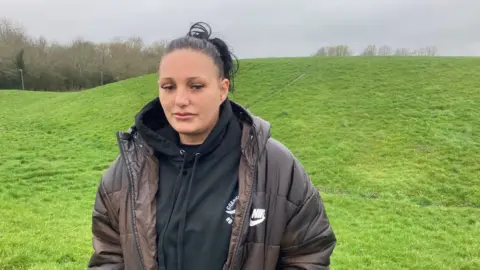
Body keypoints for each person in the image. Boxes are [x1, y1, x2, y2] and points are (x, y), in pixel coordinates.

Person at [87, 22, 336, 270]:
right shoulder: (127, 169)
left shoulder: (277, 167)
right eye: (168, 86)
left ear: (222, 89)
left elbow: (309, 254)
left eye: (196, 86)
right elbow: (108, 255)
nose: (180, 100)